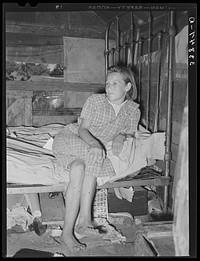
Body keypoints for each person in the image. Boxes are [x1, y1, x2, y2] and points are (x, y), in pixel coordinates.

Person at [52, 66, 141, 252]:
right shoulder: (95, 100)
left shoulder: (133, 110)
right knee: (94, 154)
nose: (109, 88)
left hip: (84, 153)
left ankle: (66, 233)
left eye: (115, 84)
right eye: (107, 84)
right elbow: (82, 129)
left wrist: (121, 136)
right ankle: (85, 219)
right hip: (72, 139)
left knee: (78, 169)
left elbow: (130, 132)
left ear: (127, 87)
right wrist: (94, 144)